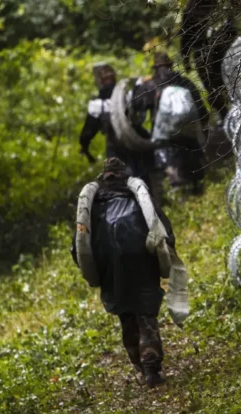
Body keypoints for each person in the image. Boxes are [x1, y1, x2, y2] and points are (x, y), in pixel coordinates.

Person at [70, 157, 174, 388]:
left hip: (109, 266)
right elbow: (163, 228)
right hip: (141, 259)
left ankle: (139, 363)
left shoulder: (93, 205)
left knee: (126, 315)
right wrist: (168, 255)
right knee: (145, 313)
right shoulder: (139, 197)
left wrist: (91, 268)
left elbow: (77, 246)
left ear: (104, 177)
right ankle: (151, 367)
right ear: (123, 175)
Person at [130, 52, 208, 194]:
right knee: (192, 162)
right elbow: (202, 111)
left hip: (165, 137)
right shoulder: (185, 82)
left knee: (168, 164)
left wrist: (138, 87)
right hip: (188, 134)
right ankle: (197, 190)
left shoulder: (150, 85)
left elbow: (136, 104)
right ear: (171, 66)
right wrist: (202, 132)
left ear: (155, 68)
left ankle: (176, 192)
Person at [79, 63, 153, 184]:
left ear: (101, 81)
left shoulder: (98, 105)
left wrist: (85, 147)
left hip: (115, 147)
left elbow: (87, 133)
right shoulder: (128, 96)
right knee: (143, 176)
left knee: (117, 179)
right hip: (135, 141)